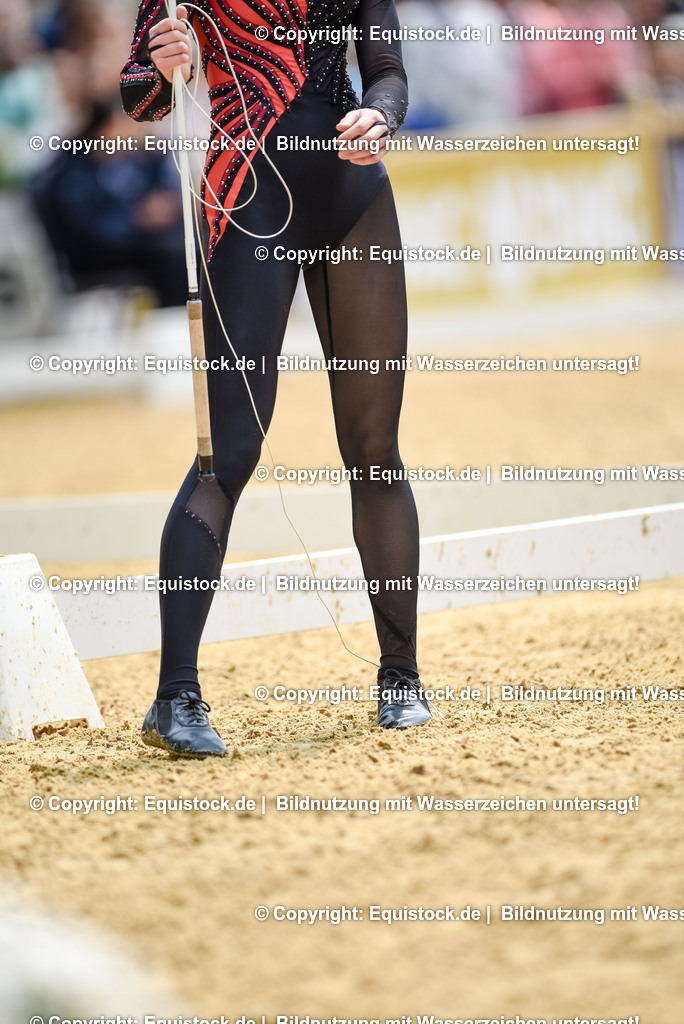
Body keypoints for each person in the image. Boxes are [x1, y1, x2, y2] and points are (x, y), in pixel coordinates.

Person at [121, 0, 430, 756]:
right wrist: (162, 71)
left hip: (353, 195)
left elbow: (385, 70)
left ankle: (401, 678)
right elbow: (137, 90)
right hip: (245, 192)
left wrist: (381, 117)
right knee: (228, 451)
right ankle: (176, 697)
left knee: (375, 444)